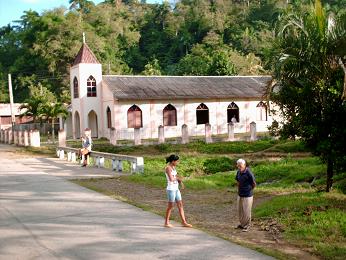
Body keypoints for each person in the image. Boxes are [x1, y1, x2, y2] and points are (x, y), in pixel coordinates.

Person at [164, 154, 192, 228]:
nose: (178, 162)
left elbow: (175, 177)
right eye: (177, 161)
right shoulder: (168, 168)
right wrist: (178, 178)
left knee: (180, 205)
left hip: (176, 189)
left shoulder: (173, 167)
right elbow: (171, 179)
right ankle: (166, 223)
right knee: (170, 206)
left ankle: (184, 222)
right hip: (171, 190)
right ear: (173, 161)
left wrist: (180, 182)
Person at [235, 158, 256, 232]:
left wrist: (249, 190)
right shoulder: (238, 172)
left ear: (244, 165)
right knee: (240, 210)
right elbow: (237, 181)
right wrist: (239, 189)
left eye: (240, 166)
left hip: (248, 195)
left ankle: (247, 225)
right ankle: (242, 224)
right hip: (240, 194)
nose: (239, 167)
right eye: (238, 166)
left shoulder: (249, 173)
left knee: (247, 211)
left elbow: (254, 184)